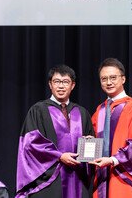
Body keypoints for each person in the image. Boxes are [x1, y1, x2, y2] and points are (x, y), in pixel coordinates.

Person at [16, 64, 94, 198]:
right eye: (57, 81)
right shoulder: (38, 110)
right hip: (49, 181)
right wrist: (59, 156)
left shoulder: (82, 112)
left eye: (65, 82)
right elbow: (31, 144)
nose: (61, 86)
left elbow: (90, 150)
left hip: (77, 180)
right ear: (50, 84)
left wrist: (90, 144)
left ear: (73, 85)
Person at [89, 58, 132, 198]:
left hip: (124, 177)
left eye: (113, 77)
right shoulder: (100, 110)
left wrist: (112, 160)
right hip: (101, 178)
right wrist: (89, 142)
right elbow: (94, 142)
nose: (108, 82)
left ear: (123, 79)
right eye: (104, 79)